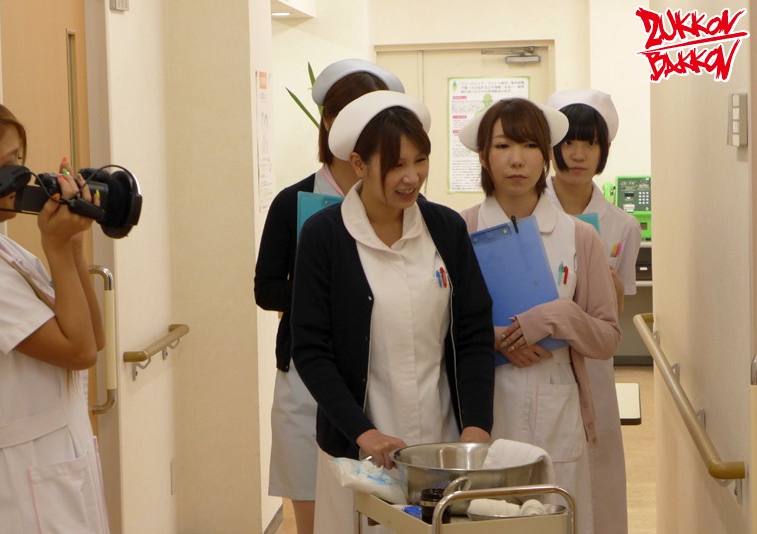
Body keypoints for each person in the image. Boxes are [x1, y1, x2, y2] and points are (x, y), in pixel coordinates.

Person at [291, 90, 495, 533]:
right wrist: (364, 432)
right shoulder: (325, 236)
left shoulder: (445, 228)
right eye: (396, 164)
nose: (411, 177)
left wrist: (476, 426)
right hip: (359, 452)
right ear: (359, 164)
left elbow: (473, 332)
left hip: (442, 445)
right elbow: (310, 348)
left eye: (420, 161)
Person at [253, 58, 404, 534]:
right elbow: (265, 288)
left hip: (383, 371)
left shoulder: (406, 206)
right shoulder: (293, 202)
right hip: (305, 374)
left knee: (384, 512)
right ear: (328, 121)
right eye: (349, 115)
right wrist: (325, 294)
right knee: (315, 514)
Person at [458, 97, 621, 534]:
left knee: (556, 519)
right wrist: (494, 338)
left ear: (546, 155)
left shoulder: (579, 236)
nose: (517, 159)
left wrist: (558, 315)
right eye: (503, 146)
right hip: (483, 404)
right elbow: (438, 326)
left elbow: (607, 338)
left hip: (557, 403)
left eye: (530, 146)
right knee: (484, 520)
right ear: (483, 156)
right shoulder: (459, 230)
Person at [0, 90, 108, 533]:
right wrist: (56, 248)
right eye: (9, 164)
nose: (23, 177)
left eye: (22, 160)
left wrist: (73, 247)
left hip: (53, 459)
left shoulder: (3, 250)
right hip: (17, 483)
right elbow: (79, 352)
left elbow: (94, 337)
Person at [545, 89, 641, 534]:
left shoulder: (622, 225)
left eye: (590, 143)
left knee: (598, 472)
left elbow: (615, 312)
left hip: (594, 362)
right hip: (539, 355)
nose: (578, 154)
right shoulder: (527, 211)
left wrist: (608, 283)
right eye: (569, 142)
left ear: (604, 150)